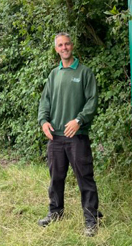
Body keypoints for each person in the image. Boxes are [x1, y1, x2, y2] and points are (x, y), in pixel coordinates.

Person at [37, 32, 101, 237]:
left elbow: (92, 101)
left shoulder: (84, 73)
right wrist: (43, 121)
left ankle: (91, 220)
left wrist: (79, 120)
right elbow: (44, 101)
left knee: (85, 177)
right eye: (60, 45)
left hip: (77, 135)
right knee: (56, 177)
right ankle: (55, 212)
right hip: (55, 137)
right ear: (56, 49)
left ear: (72, 46)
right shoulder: (53, 75)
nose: (64, 48)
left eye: (67, 44)